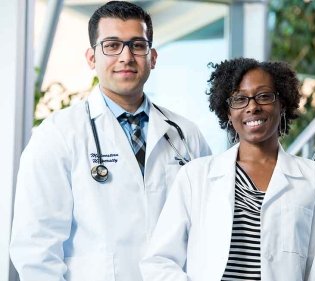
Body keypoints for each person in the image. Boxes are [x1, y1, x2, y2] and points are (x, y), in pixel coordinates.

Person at [10, 1, 211, 280]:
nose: (126, 56)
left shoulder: (186, 135)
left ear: (152, 56)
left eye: (137, 45)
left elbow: (208, 228)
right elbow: (36, 247)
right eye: (112, 45)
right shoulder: (58, 134)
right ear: (92, 58)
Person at [140, 58, 315, 281]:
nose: (252, 107)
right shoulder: (195, 176)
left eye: (264, 96)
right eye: (240, 99)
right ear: (227, 112)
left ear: (282, 104)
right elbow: (159, 260)